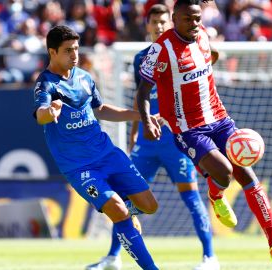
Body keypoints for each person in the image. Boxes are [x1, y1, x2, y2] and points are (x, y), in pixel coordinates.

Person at [136, 0, 272, 265]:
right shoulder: (160, 49)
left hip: (220, 119)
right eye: (188, 19)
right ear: (175, 18)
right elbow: (142, 92)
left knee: (247, 174)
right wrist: (147, 120)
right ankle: (216, 194)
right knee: (225, 171)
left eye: (197, 18)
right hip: (187, 129)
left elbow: (210, 58)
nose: (194, 24)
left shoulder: (204, 38)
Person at [86, 4, 219, 270]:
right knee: (126, 199)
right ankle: (113, 257)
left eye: (162, 22)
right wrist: (135, 133)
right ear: (147, 25)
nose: (158, 27)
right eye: (154, 22)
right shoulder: (140, 58)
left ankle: (209, 257)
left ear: (169, 23)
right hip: (147, 142)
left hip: (175, 140)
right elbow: (140, 99)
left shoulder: (182, 51)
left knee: (191, 198)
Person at [33, 25, 160, 270]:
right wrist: (49, 112)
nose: (74, 55)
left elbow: (100, 110)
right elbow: (40, 114)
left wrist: (141, 116)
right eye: (68, 50)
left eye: (76, 49)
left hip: (107, 153)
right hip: (80, 167)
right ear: (52, 52)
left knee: (149, 206)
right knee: (118, 211)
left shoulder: (84, 77)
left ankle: (125, 213)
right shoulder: (45, 84)